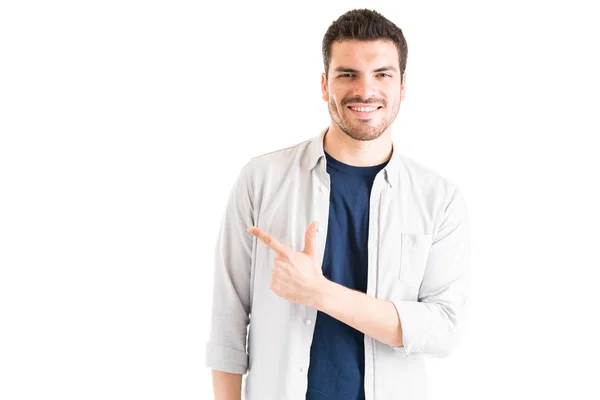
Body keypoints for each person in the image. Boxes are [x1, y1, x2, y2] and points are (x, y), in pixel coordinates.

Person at [205, 8, 470, 400]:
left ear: (402, 85)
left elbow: (443, 329)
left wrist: (319, 292)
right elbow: (228, 322)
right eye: (348, 74)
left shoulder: (439, 199)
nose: (366, 91)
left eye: (382, 74)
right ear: (325, 83)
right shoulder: (261, 180)